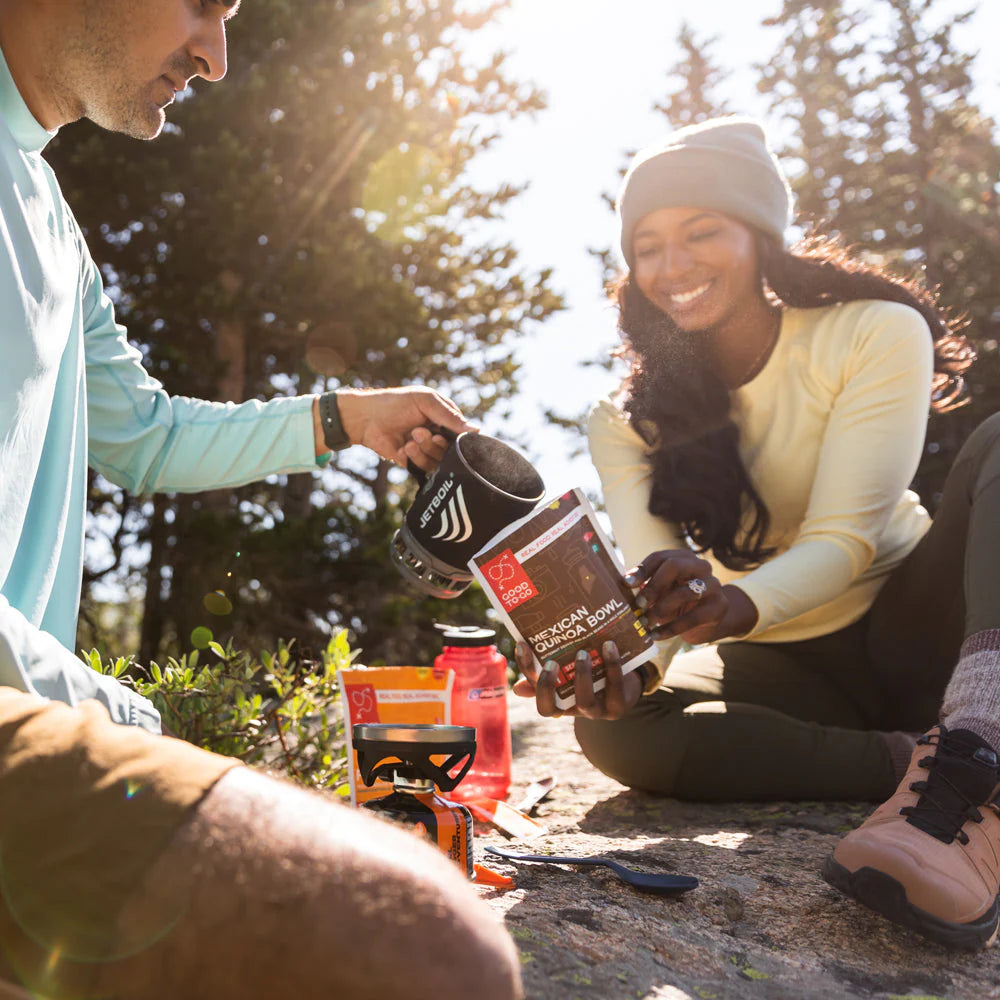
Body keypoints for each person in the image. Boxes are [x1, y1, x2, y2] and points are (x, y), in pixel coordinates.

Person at [0, 1, 521, 997]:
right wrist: (120, 719)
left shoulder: (52, 223)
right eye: (202, 4)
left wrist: (343, 418)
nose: (217, 56)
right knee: (419, 953)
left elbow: (144, 435)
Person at [514, 115, 1000, 951]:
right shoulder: (623, 421)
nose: (675, 265)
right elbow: (654, 590)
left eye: (703, 231)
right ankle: (916, 762)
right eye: (651, 244)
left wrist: (731, 603)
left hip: (917, 621)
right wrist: (624, 662)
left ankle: (980, 753)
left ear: (763, 236)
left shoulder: (871, 331)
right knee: (616, 728)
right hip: (791, 668)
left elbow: (846, 541)